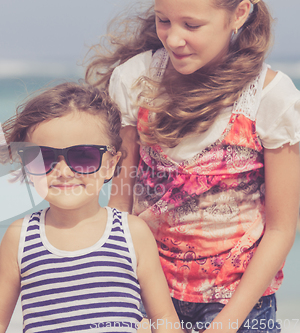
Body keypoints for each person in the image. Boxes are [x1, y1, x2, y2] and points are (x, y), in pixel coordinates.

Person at [85, 0, 300, 332]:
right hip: (147, 291)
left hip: (240, 304)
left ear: (239, 14)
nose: (173, 39)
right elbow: (121, 203)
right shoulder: (135, 79)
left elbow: (281, 229)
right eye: (164, 21)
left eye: (192, 26)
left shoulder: (271, 98)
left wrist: (225, 324)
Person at [0, 82, 183, 333]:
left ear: (110, 164)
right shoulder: (20, 237)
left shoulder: (132, 233)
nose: (63, 172)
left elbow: (164, 318)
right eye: (44, 157)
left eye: (83, 156)